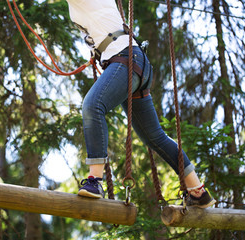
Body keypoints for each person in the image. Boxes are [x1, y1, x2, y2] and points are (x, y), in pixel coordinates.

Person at [66, 0, 215, 208]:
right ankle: (197, 191)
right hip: (134, 62)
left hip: (125, 58)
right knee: (154, 136)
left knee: (93, 105)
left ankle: (95, 180)